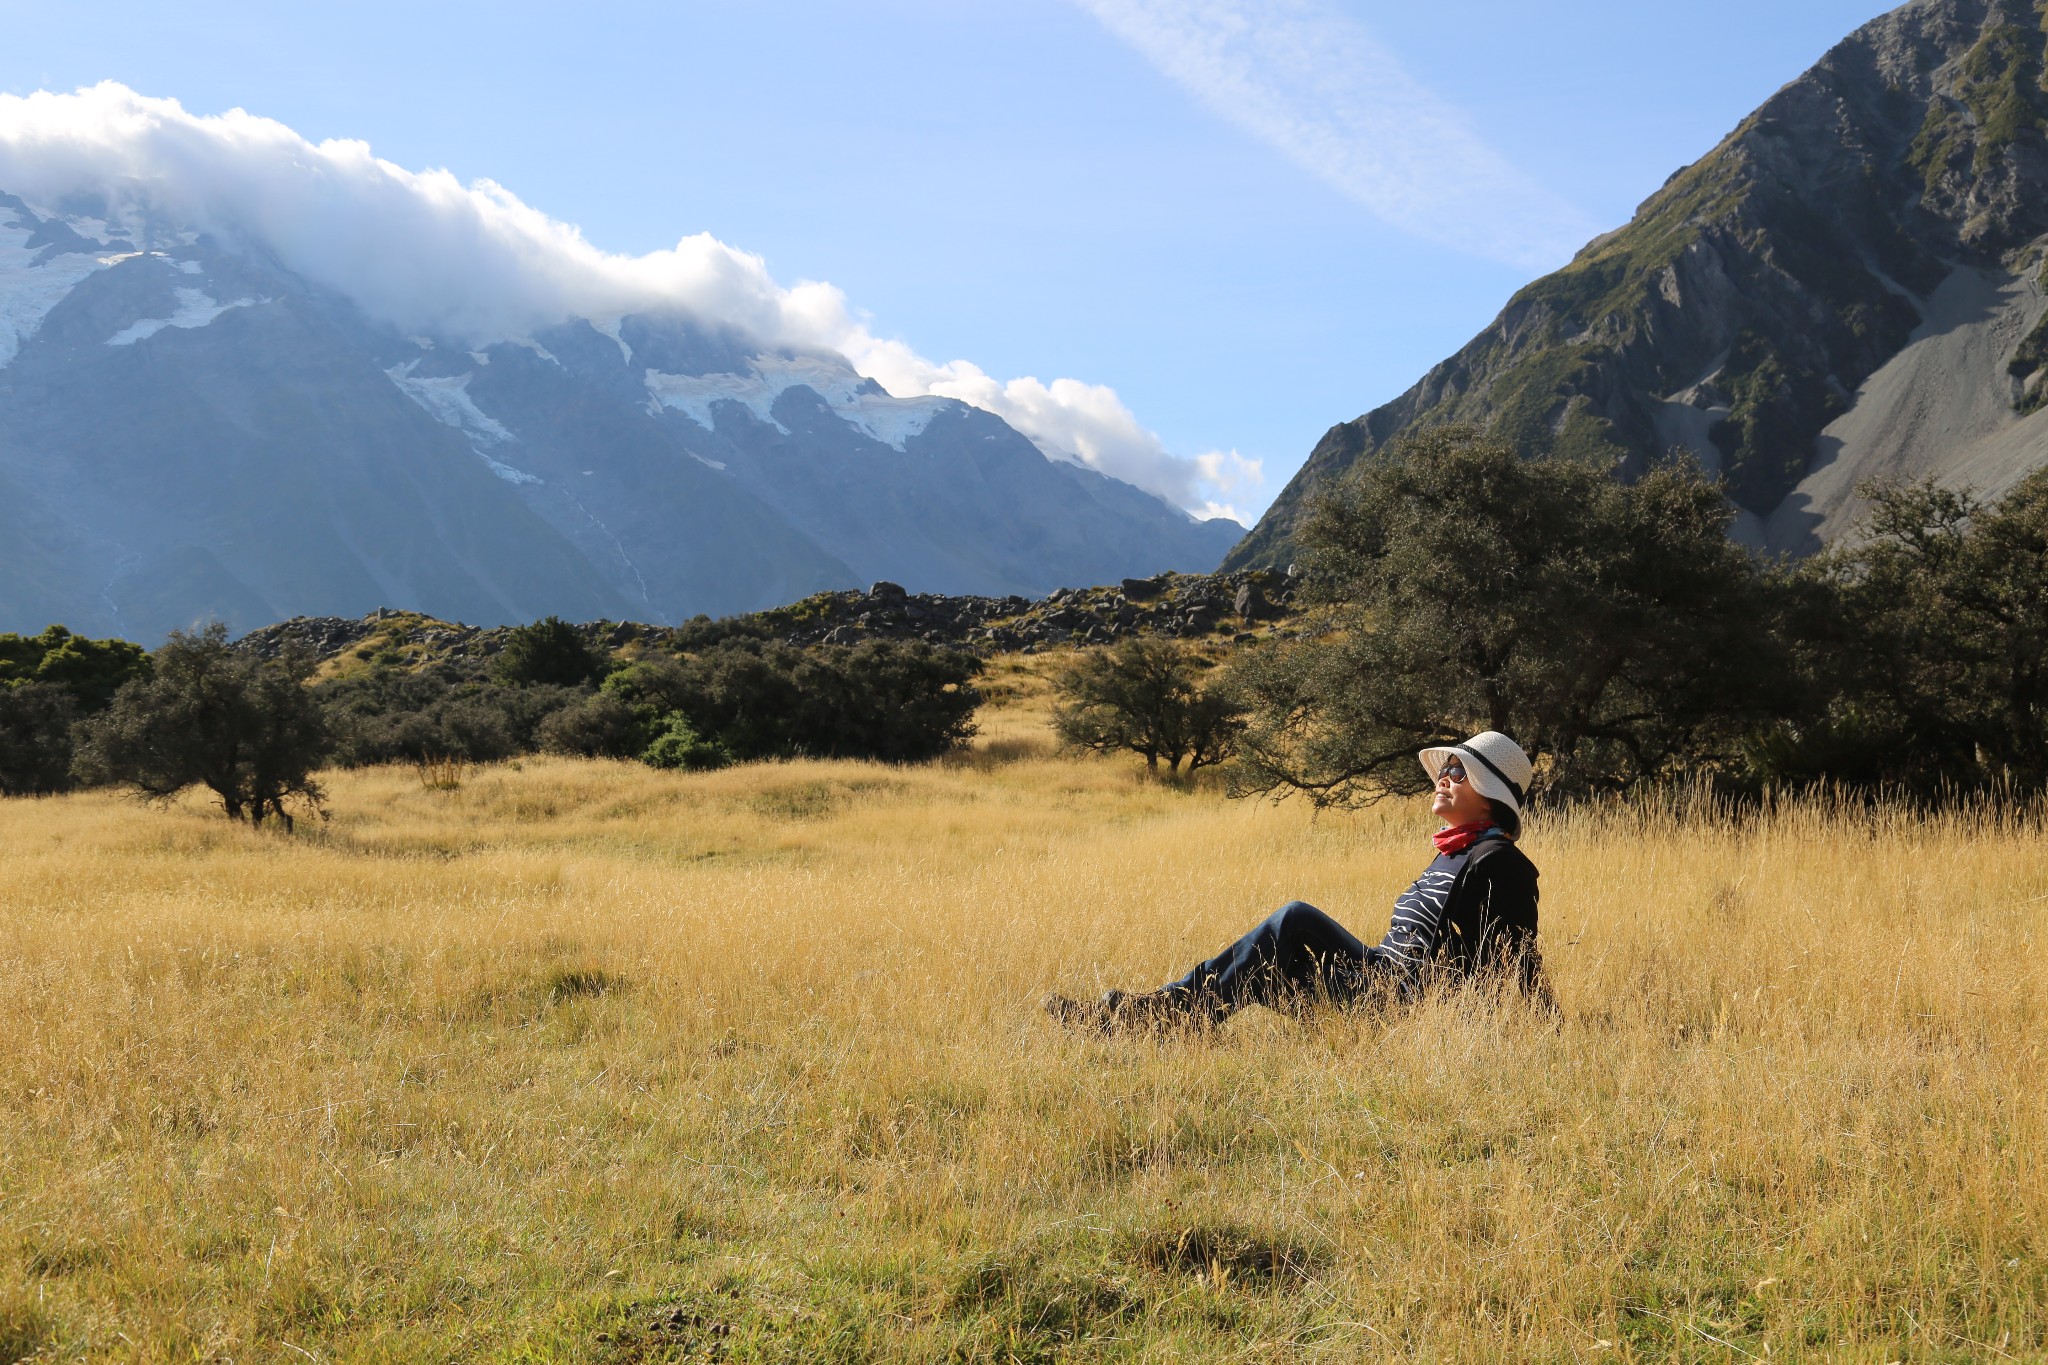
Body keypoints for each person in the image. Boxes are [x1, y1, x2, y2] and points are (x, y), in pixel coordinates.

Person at [1045, 731, 1551, 1034]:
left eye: (1460, 772)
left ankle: (1166, 1017)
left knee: (1295, 918)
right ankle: (1160, 1018)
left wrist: (1543, 1027)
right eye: (1448, 766)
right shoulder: (1455, 850)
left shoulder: (1498, 861)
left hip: (1400, 1001)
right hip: (1378, 980)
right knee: (1262, 967)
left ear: (1490, 796)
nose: (1445, 775)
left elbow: (1517, 958)